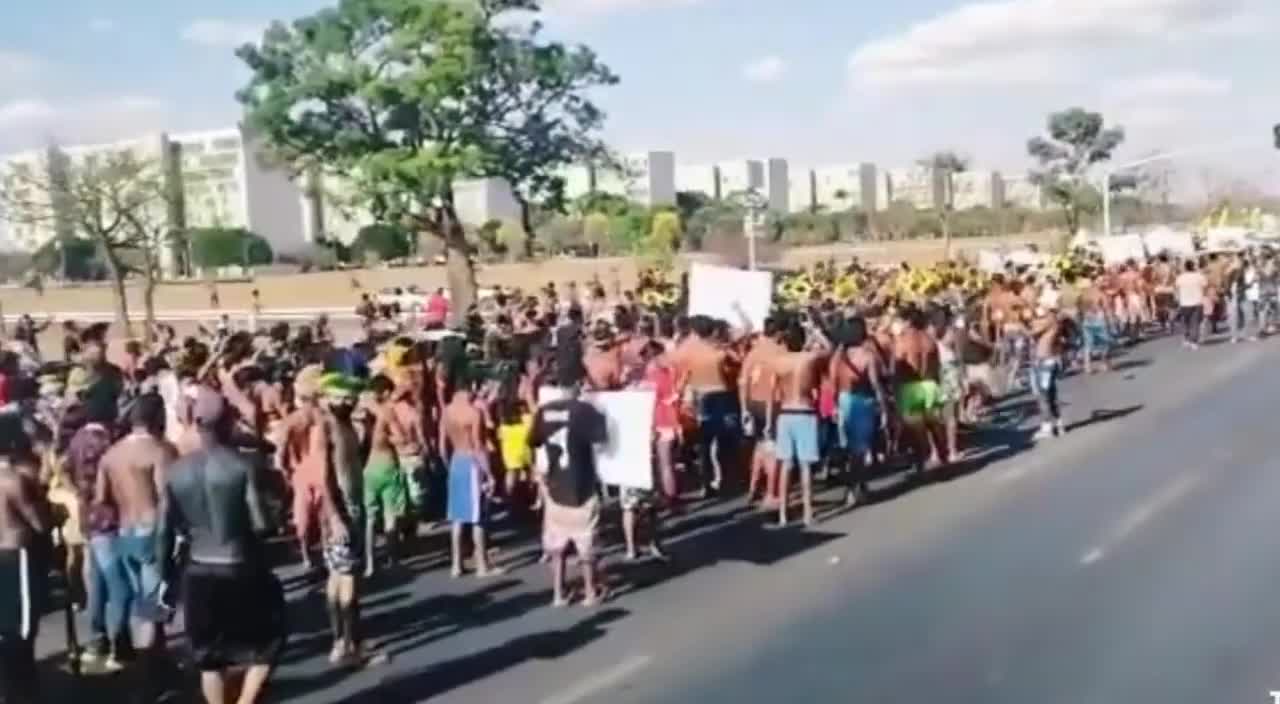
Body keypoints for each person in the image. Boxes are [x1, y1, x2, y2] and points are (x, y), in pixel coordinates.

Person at [156, 389, 284, 704]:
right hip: (240, 565)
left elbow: (164, 531)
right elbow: (262, 524)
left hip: (198, 568)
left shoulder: (177, 471)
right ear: (227, 423)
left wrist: (165, 575)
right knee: (267, 646)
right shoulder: (242, 466)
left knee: (209, 657)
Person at [98, 393, 177, 698]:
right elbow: (167, 499)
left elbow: (101, 500)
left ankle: (160, 667)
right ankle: (147, 682)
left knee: (141, 608)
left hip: (123, 532)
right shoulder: (160, 451)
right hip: (152, 532)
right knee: (151, 608)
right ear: (158, 418)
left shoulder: (112, 454)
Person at [530, 379, 608, 607]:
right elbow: (602, 439)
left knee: (557, 547)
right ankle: (590, 592)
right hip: (582, 485)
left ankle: (558, 594)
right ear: (578, 385)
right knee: (586, 544)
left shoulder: (545, 410)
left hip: (556, 486)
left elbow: (533, 441)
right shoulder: (584, 410)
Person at [0, 430, 51, 704]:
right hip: (15, 553)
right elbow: (38, 523)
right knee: (22, 626)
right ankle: (22, 687)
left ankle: (14, 684)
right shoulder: (12, 480)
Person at [440, 377, 502, 578]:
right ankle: (482, 566)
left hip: (456, 460)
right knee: (477, 518)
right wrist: (490, 474)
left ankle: (456, 564)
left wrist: (448, 464)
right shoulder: (473, 413)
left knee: (457, 517)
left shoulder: (447, 411)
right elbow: (478, 446)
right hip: (472, 463)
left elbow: (442, 446)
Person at [766, 323, 827, 527]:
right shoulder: (808, 358)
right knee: (805, 466)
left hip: (785, 413)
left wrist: (769, 421)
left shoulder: (778, 362)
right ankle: (808, 513)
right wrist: (816, 333)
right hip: (805, 412)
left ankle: (783, 514)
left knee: (785, 465)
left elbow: (772, 394)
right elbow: (830, 349)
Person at [830, 316, 887, 507]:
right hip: (862, 403)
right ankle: (856, 488)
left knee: (848, 450)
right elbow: (875, 384)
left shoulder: (838, 356)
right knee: (859, 451)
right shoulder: (867, 355)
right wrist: (884, 408)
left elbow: (832, 382)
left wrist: (834, 406)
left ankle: (855, 488)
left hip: (842, 401)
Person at [362, 375, 408, 577]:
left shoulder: (361, 412)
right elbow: (400, 438)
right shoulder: (387, 413)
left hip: (367, 468)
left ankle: (370, 563)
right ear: (387, 392)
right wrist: (389, 438)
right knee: (390, 516)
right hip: (387, 465)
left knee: (370, 519)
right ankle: (392, 560)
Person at [893, 307, 946, 470]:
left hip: (910, 386)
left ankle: (921, 461)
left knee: (915, 429)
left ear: (908, 322)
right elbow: (937, 366)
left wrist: (895, 389)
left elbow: (898, 365)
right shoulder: (929, 338)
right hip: (930, 384)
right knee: (935, 425)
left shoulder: (902, 340)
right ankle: (941, 455)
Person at [1029, 305, 1066, 439]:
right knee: (1051, 394)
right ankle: (1058, 423)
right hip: (1047, 360)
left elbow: (1032, 332)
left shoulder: (1050, 321)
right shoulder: (1053, 322)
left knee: (1042, 395)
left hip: (1045, 361)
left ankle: (1047, 427)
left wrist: (1020, 324)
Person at [1176, 260, 1207, 349]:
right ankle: (1194, 341)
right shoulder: (1199, 276)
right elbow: (1204, 286)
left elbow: (1177, 289)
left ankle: (1186, 339)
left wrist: (1178, 299)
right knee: (1195, 322)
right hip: (1197, 301)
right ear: (1194, 266)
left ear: (1185, 267)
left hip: (1184, 302)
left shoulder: (1180, 277)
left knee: (1185, 322)